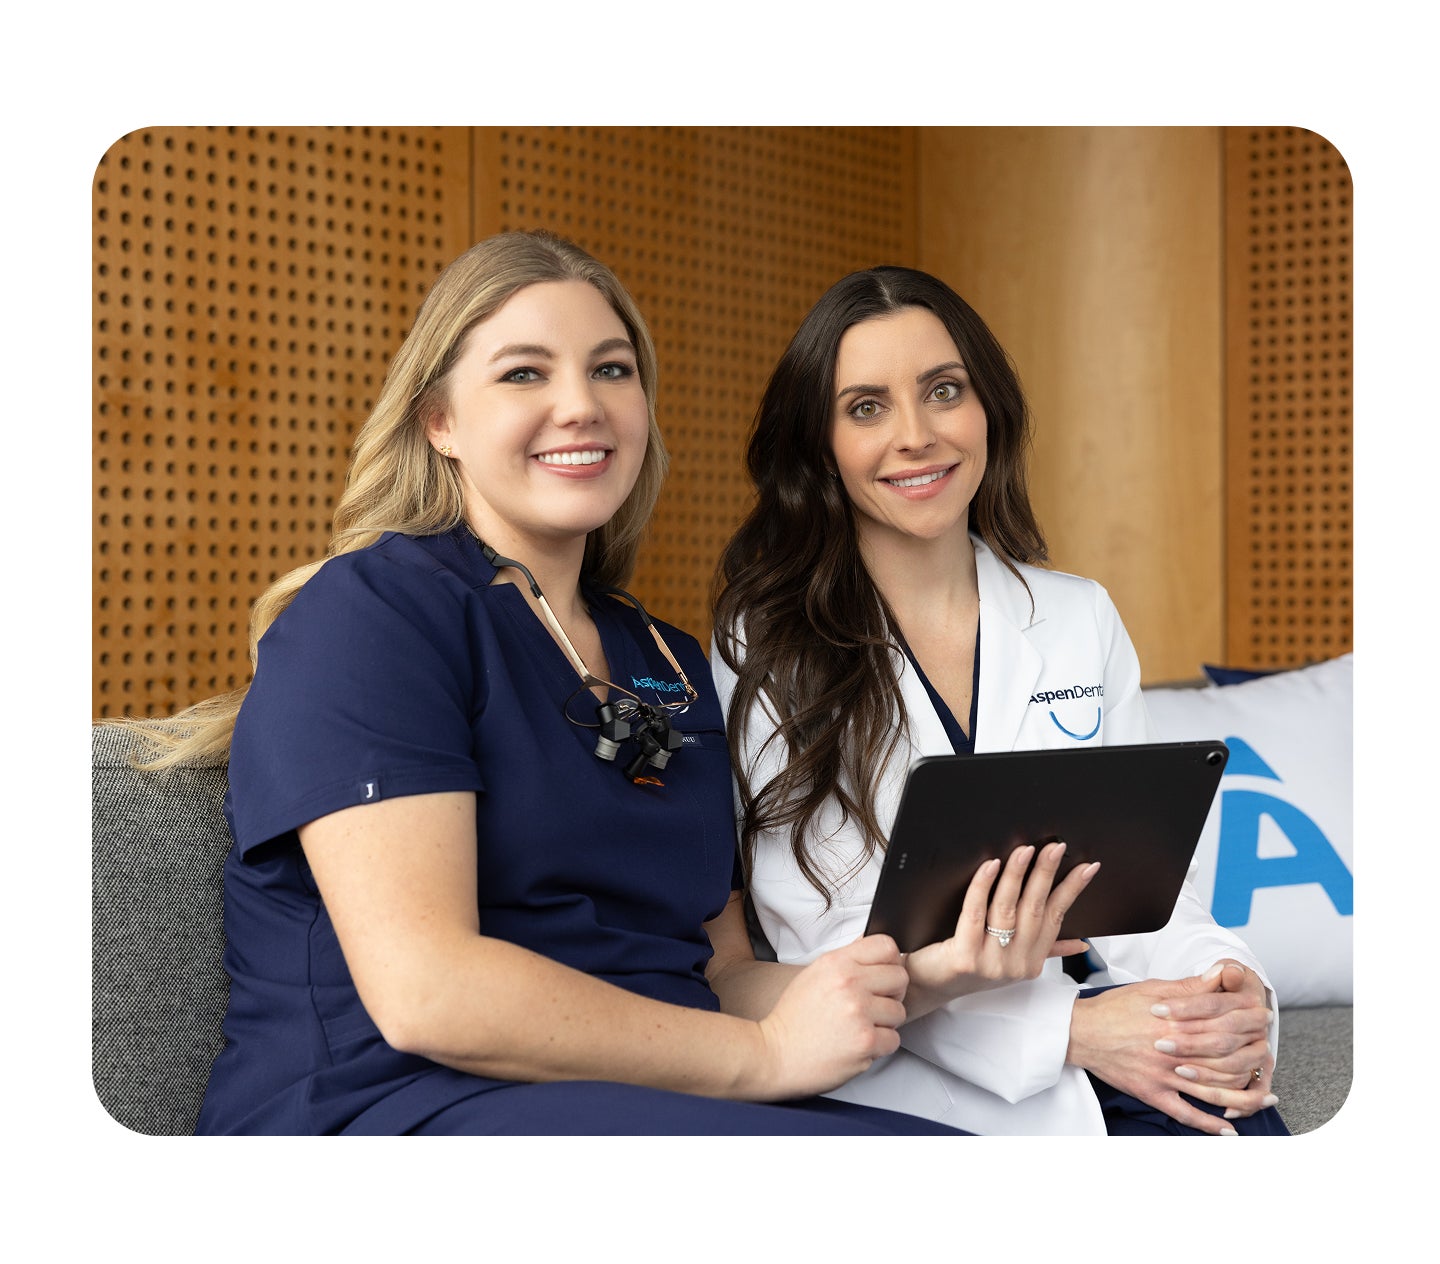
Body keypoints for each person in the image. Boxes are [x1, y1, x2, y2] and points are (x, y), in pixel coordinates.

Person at [115, 231, 1001, 1136]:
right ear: (439, 422)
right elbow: (431, 993)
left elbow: (722, 973)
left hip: (651, 1102)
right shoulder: (374, 615)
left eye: (612, 371)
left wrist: (928, 974)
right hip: (402, 1109)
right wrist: (765, 1059)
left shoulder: (667, 658)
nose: (581, 405)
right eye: (524, 374)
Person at [710, 265, 1290, 1136]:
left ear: (989, 411)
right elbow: (822, 949)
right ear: (818, 443)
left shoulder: (1075, 613)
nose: (916, 435)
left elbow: (1155, 889)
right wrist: (1074, 1033)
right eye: (866, 407)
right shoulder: (764, 647)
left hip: (1106, 1038)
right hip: (902, 1074)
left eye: (944, 391)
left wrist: (1225, 989)